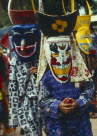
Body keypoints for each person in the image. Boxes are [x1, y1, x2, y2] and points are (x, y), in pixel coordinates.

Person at [36, 4, 94, 135]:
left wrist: (79, 102)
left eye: (66, 52)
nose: (62, 58)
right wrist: (57, 105)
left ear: (71, 50)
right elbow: (42, 101)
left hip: (81, 123)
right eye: (56, 53)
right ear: (47, 53)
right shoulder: (46, 77)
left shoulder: (80, 73)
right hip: (58, 126)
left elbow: (90, 90)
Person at [8, 1, 42, 135]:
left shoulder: (44, 55)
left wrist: (43, 71)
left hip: (48, 102)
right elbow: (13, 88)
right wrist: (15, 116)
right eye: (18, 39)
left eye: (28, 37)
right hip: (27, 103)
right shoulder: (15, 61)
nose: (22, 46)